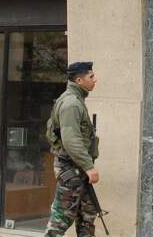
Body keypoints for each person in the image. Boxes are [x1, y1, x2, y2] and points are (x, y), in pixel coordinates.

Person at [44, 62, 100, 237]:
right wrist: (89, 167)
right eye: (91, 76)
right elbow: (71, 140)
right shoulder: (71, 104)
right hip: (71, 168)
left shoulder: (76, 100)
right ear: (79, 80)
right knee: (61, 218)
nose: (95, 80)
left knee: (87, 215)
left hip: (77, 168)